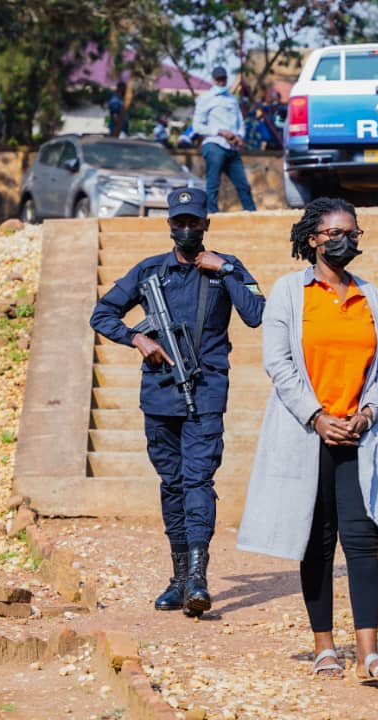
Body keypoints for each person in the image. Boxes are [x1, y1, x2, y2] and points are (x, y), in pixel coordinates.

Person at [237, 197, 378, 683]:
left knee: (363, 538)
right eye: (334, 233)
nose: (344, 239)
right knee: (317, 541)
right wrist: (317, 416)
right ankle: (325, 646)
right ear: (313, 239)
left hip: (360, 435)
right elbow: (279, 363)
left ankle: (369, 652)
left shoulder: (372, 297)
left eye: (352, 232)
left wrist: (367, 413)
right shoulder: (289, 292)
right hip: (308, 434)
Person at [89, 187, 265, 618]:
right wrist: (137, 338)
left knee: (198, 482)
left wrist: (224, 270)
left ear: (206, 224)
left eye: (194, 222)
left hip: (205, 393)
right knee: (171, 485)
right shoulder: (151, 270)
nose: (187, 229)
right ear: (170, 225)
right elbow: (102, 313)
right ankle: (179, 577)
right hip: (160, 394)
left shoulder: (227, 267)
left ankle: (199, 579)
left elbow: (257, 313)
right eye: (179, 223)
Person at [193, 66, 257, 213]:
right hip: (214, 145)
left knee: (243, 185)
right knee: (213, 184)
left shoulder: (232, 99)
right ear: (213, 80)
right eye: (219, 79)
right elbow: (197, 126)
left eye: (223, 79)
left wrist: (240, 136)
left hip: (232, 148)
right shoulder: (205, 99)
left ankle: (252, 214)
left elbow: (240, 121)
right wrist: (220, 132)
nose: (221, 82)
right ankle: (211, 215)